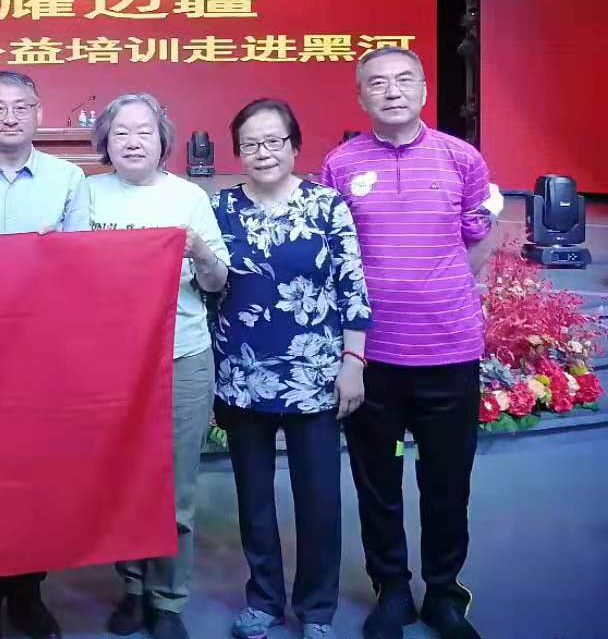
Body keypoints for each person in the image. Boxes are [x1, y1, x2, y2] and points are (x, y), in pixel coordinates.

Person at [320, 48, 497, 639]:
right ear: (361, 96)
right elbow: (336, 257)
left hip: (449, 351)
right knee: (377, 484)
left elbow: (478, 237)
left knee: (447, 483)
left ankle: (444, 593)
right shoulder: (340, 164)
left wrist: (440, 289)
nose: (391, 91)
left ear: (423, 89)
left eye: (403, 81)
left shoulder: (460, 157)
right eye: (377, 83)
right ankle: (392, 590)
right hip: (373, 358)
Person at [64, 92, 228, 639]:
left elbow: (217, 282)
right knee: (123, 480)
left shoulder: (188, 197)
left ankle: (168, 599)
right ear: (105, 143)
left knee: (175, 487)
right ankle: (132, 588)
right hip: (112, 362)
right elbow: (68, 270)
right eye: (121, 132)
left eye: (144, 131)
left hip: (181, 355)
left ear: (163, 141)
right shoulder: (86, 193)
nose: (133, 142)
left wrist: (199, 251)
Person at [209, 99, 372, 639]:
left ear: (295, 146)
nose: (263, 152)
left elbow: (352, 286)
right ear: (238, 152)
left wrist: (353, 361)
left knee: (319, 499)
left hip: (315, 375)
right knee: (253, 498)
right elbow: (207, 287)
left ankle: (318, 609)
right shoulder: (220, 208)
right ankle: (263, 600)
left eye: (274, 141)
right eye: (251, 144)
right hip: (242, 375)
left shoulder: (327, 205)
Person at [0, 71, 84, 639]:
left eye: (20, 106)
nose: (9, 117)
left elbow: (86, 263)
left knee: (34, 473)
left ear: (38, 113)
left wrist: (59, 255)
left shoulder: (68, 177)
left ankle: (28, 594)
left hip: (41, 348)